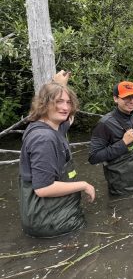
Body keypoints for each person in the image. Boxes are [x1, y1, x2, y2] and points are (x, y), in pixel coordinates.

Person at [19, 70, 95, 238]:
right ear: (44, 104)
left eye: (68, 102)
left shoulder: (53, 126)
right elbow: (43, 188)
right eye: (59, 101)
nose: (65, 107)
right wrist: (84, 185)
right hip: (50, 222)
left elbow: (68, 116)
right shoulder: (43, 138)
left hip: (55, 216)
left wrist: (60, 86)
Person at [89, 81, 133, 195]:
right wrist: (123, 143)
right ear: (115, 99)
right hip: (124, 189)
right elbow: (94, 157)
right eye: (126, 97)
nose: (131, 101)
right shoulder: (105, 124)